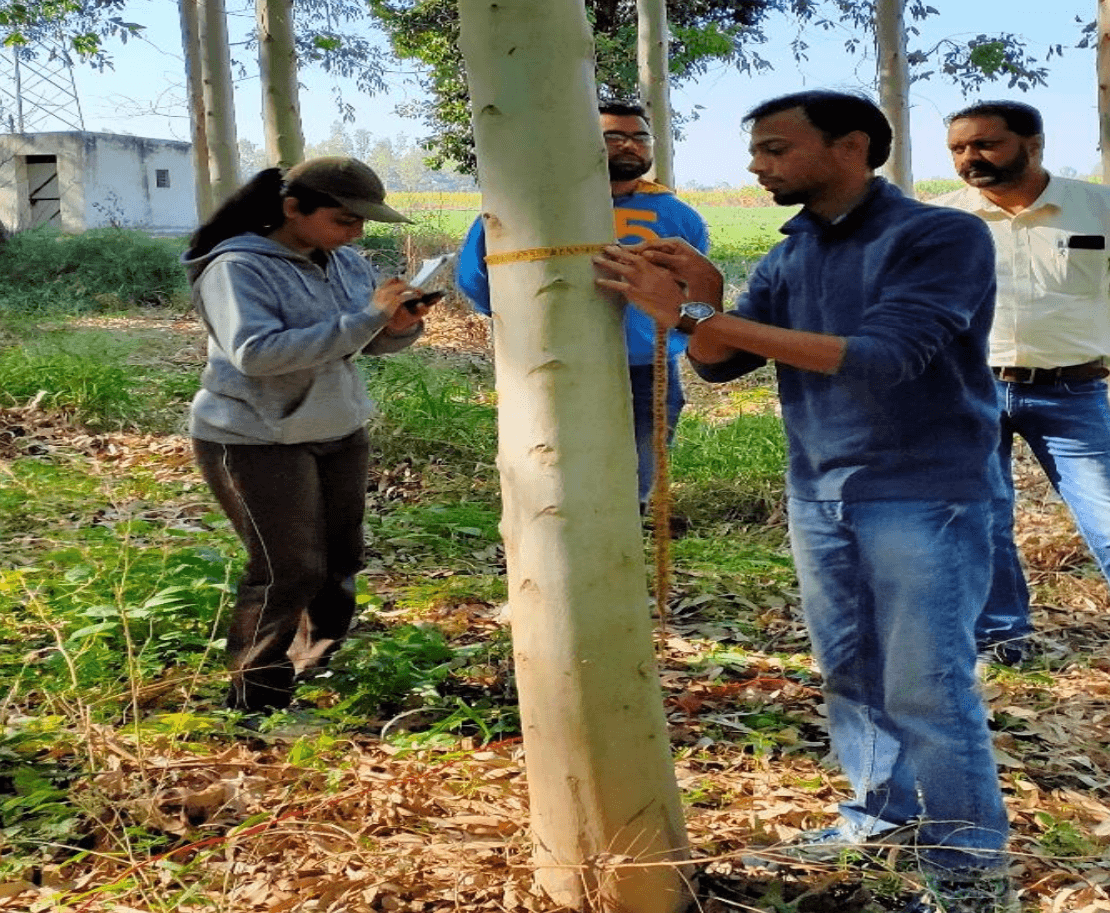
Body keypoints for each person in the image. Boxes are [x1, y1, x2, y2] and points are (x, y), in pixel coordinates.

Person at [594, 91, 1013, 913]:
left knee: (927, 687)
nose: (757, 165)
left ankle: (970, 870)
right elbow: (720, 363)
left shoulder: (937, 236)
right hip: (820, 490)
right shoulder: (792, 254)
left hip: (923, 493)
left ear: (851, 146)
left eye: (776, 148)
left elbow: (885, 357)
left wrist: (700, 313)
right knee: (850, 671)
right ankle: (879, 816)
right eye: (757, 150)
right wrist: (704, 301)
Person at [184, 156, 433, 714]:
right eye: (344, 219)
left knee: (340, 559)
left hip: (337, 426)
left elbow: (360, 341)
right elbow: (255, 354)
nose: (357, 232)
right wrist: (366, 319)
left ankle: (319, 666)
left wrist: (397, 326)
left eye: (363, 221)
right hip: (253, 436)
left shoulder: (345, 262)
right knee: (288, 570)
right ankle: (257, 699)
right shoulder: (237, 267)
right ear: (293, 208)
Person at [455, 102, 710, 517]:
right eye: (614, 137)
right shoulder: (533, 204)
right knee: (558, 462)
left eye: (640, 137)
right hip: (556, 359)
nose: (629, 145)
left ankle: (628, 525)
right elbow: (476, 275)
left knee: (640, 461)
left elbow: (695, 286)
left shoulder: (678, 216)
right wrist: (521, 323)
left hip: (647, 363)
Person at [932, 101, 1110, 665]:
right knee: (981, 518)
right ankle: (1001, 639)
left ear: (1033, 144)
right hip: (968, 392)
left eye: (985, 144)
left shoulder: (1098, 208)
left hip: (1073, 391)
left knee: (1106, 512)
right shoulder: (938, 221)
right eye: (958, 148)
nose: (970, 157)